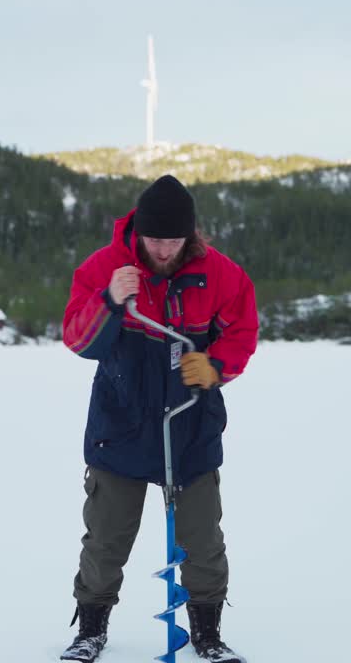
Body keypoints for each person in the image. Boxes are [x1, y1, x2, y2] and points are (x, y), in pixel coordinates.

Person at [59, 174, 259, 663]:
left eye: (174, 240)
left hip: (190, 427)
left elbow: (243, 331)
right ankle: (90, 631)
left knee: (203, 542)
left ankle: (207, 635)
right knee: (105, 540)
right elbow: (78, 341)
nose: (164, 250)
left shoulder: (222, 275)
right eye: (155, 239)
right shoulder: (104, 269)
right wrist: (108, 301)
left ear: (190, 234)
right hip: (120, 427)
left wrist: (215, 366)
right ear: (138, 232)